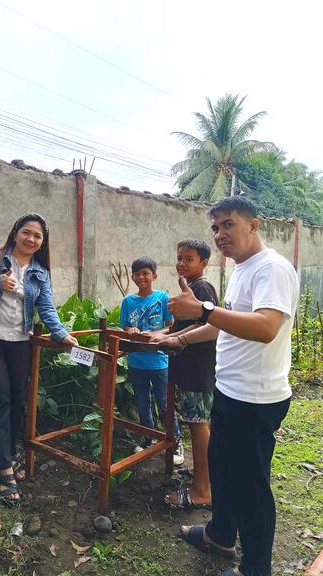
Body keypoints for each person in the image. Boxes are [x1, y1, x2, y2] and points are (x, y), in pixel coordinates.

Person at [168, 197, 299, 576]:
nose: (220, 234)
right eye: (215, 227)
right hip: (229, 390)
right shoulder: (243, 268)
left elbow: (266, 327)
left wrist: (202, 309)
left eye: (228, 224)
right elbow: (224, 324)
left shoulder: (272, 268)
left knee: (250, 486)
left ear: (253, 225)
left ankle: (255, 567)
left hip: (255, 398)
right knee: (222, 469)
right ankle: (221, 535)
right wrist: (181, 338)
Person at [0, 213, 78, 507]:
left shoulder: (40, 272)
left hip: (20, 344)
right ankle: (4, 470)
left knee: (16, 400)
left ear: (42, 242)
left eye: (37, 236)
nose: (31, 239)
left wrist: (62, 334)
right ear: (15, 233)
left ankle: (9, 454)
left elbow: (47, 308)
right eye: (27, 232)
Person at [150, 240, 219, 509]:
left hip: (196, 369)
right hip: (193, 368)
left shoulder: (201, 288)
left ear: (204, 263)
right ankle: (205, 473)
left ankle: (202, 490)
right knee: (200, 424)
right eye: (179, 258)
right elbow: (183, 326)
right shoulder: (192, 287)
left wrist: (174, 339)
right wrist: (161, 333)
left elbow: (206, 325)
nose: (181, 263)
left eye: (189, 259)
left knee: (198, 425)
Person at [119, 257, 183, 465]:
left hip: (159, 361)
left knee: (164, 402)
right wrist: (131, 330)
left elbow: (170, 326)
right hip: (136, 361)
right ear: (132, 277)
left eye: (146, 273)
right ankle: (148, 437)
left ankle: (175, 441)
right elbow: (124, 326)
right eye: (137, 274)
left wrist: (156, 334)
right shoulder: (128, 301)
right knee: (142, 402)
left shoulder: (162, 298)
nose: (141, 277)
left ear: (154, 275)